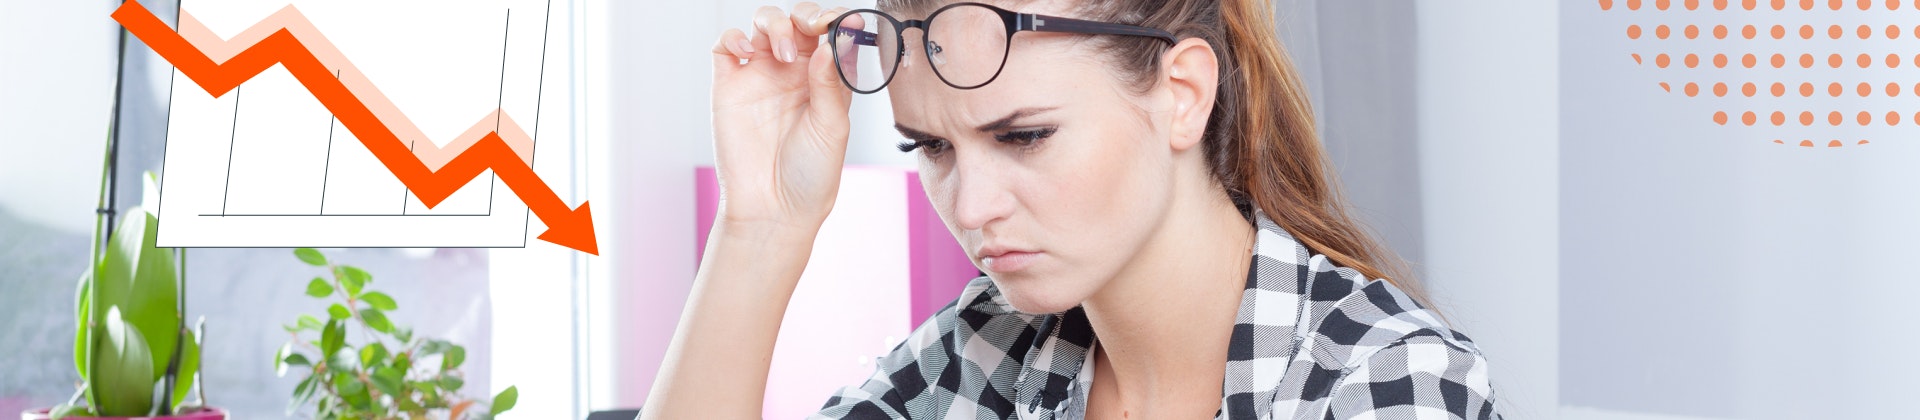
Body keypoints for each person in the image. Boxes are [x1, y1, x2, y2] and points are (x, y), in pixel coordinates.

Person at [643, 0, 1502, 418]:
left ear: (1181, 95)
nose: (972, 206)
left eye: (1025, 136)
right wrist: (760, 228)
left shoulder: (1387, 385)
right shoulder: (982, 354)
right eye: (931, 148)